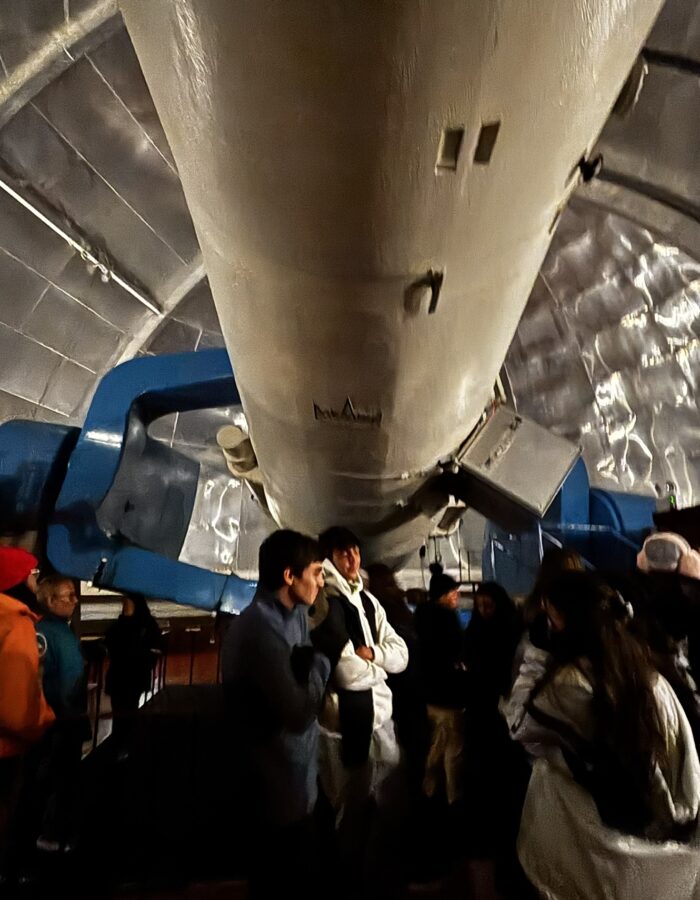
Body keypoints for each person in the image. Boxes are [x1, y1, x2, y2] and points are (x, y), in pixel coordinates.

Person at [504, 570, 700, 900]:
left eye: (551, 617)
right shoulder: (648, 668)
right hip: (661, 835)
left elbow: (519, 724)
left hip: (598, 843)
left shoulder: (571, 683)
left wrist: (536, 656)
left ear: (569, 622)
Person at [221, 529, 330, 899]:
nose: (321, 582)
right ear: (289, 576)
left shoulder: (294, 615)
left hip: (300, 783)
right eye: (316, 572)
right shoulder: (258, 628)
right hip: (275, 788)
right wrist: (321, 666)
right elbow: (298, 712)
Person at [312, 527, 408, 898]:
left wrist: (375, 656)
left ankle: (368, 878)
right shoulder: (326, 602)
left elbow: (401, 654)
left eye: (355, 551)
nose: (352, 559)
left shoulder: (365, 600)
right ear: (328, 559)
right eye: (343, 553)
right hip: (343, 724)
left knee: (377, 806)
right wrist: (382, 667)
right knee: (348, 811)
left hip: (378, 719)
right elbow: (347, 674)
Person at [0, 548, 54, 880]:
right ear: (16, 580)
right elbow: (17, 709)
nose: (36, 581)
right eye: (33, 575)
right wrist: (41, 723)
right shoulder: (15, 624)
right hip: (6, 749)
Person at [33, 575, 89, 852]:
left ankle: (59, 830)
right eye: (69, 595)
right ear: (50, 600)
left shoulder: (60, 631)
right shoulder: (45, 634)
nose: (74, 600)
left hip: (67, 717)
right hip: (59, 719)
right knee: (56, 778)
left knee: (64, 777)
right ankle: (49, 834)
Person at [414, 563, 466, 807]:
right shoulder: (447, 619)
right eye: (453, 592)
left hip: (428, 692)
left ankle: (429, 787)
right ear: (443, 595)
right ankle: (452, 795)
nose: (457, 596)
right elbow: (458, 651)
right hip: (447, 693)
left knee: (437, 740)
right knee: (453, 747)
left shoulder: (421, 617)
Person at [105, 594, 162, 753]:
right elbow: (111, 643)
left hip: (132, 677)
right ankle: (121, 745)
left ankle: (124, 747)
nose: (124, 606)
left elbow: (151, 650)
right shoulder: (123, 624)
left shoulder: (146, 625)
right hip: (122, 678)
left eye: (127, 602)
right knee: (121, 713)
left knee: (127, 713)